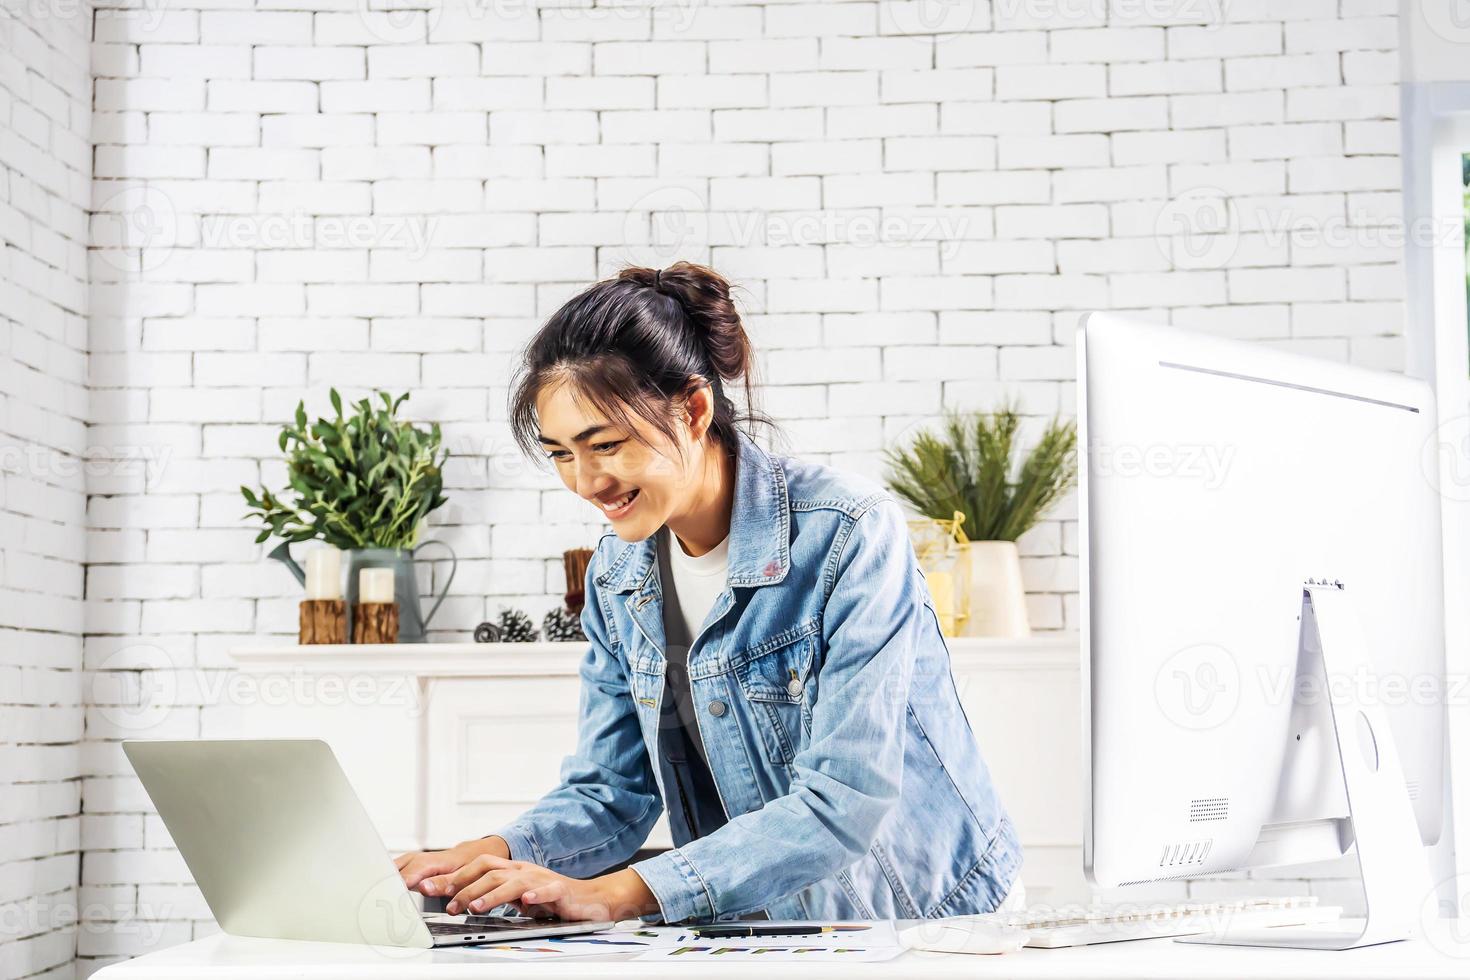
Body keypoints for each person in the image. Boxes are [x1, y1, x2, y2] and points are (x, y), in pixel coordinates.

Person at [394, 262, 1021, 924]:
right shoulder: (618, 575)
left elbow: (846, 800)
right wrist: (484, 857)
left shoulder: (848, 533)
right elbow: (611, 792)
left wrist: (617, 894)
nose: (584, 482)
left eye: (604, 444)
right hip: (765, 928)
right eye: (560, 454)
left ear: (693, 409)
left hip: (927, 920)